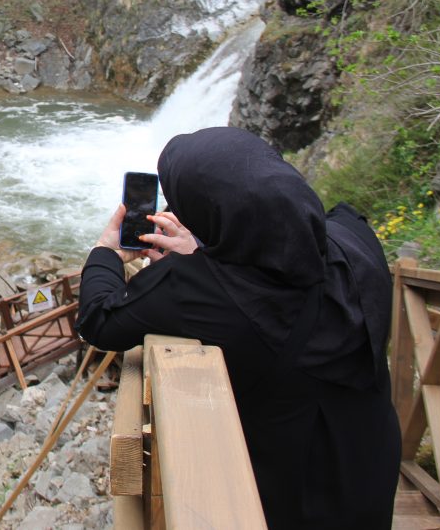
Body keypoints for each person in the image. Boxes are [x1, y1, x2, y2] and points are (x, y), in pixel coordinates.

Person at [74, 127, 400, 530]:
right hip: (369, 469)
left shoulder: (199, 289)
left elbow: (98, 320)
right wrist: (213, 248)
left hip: (293, 492)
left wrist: (107, 250)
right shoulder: (357, 239)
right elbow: (291, 243)